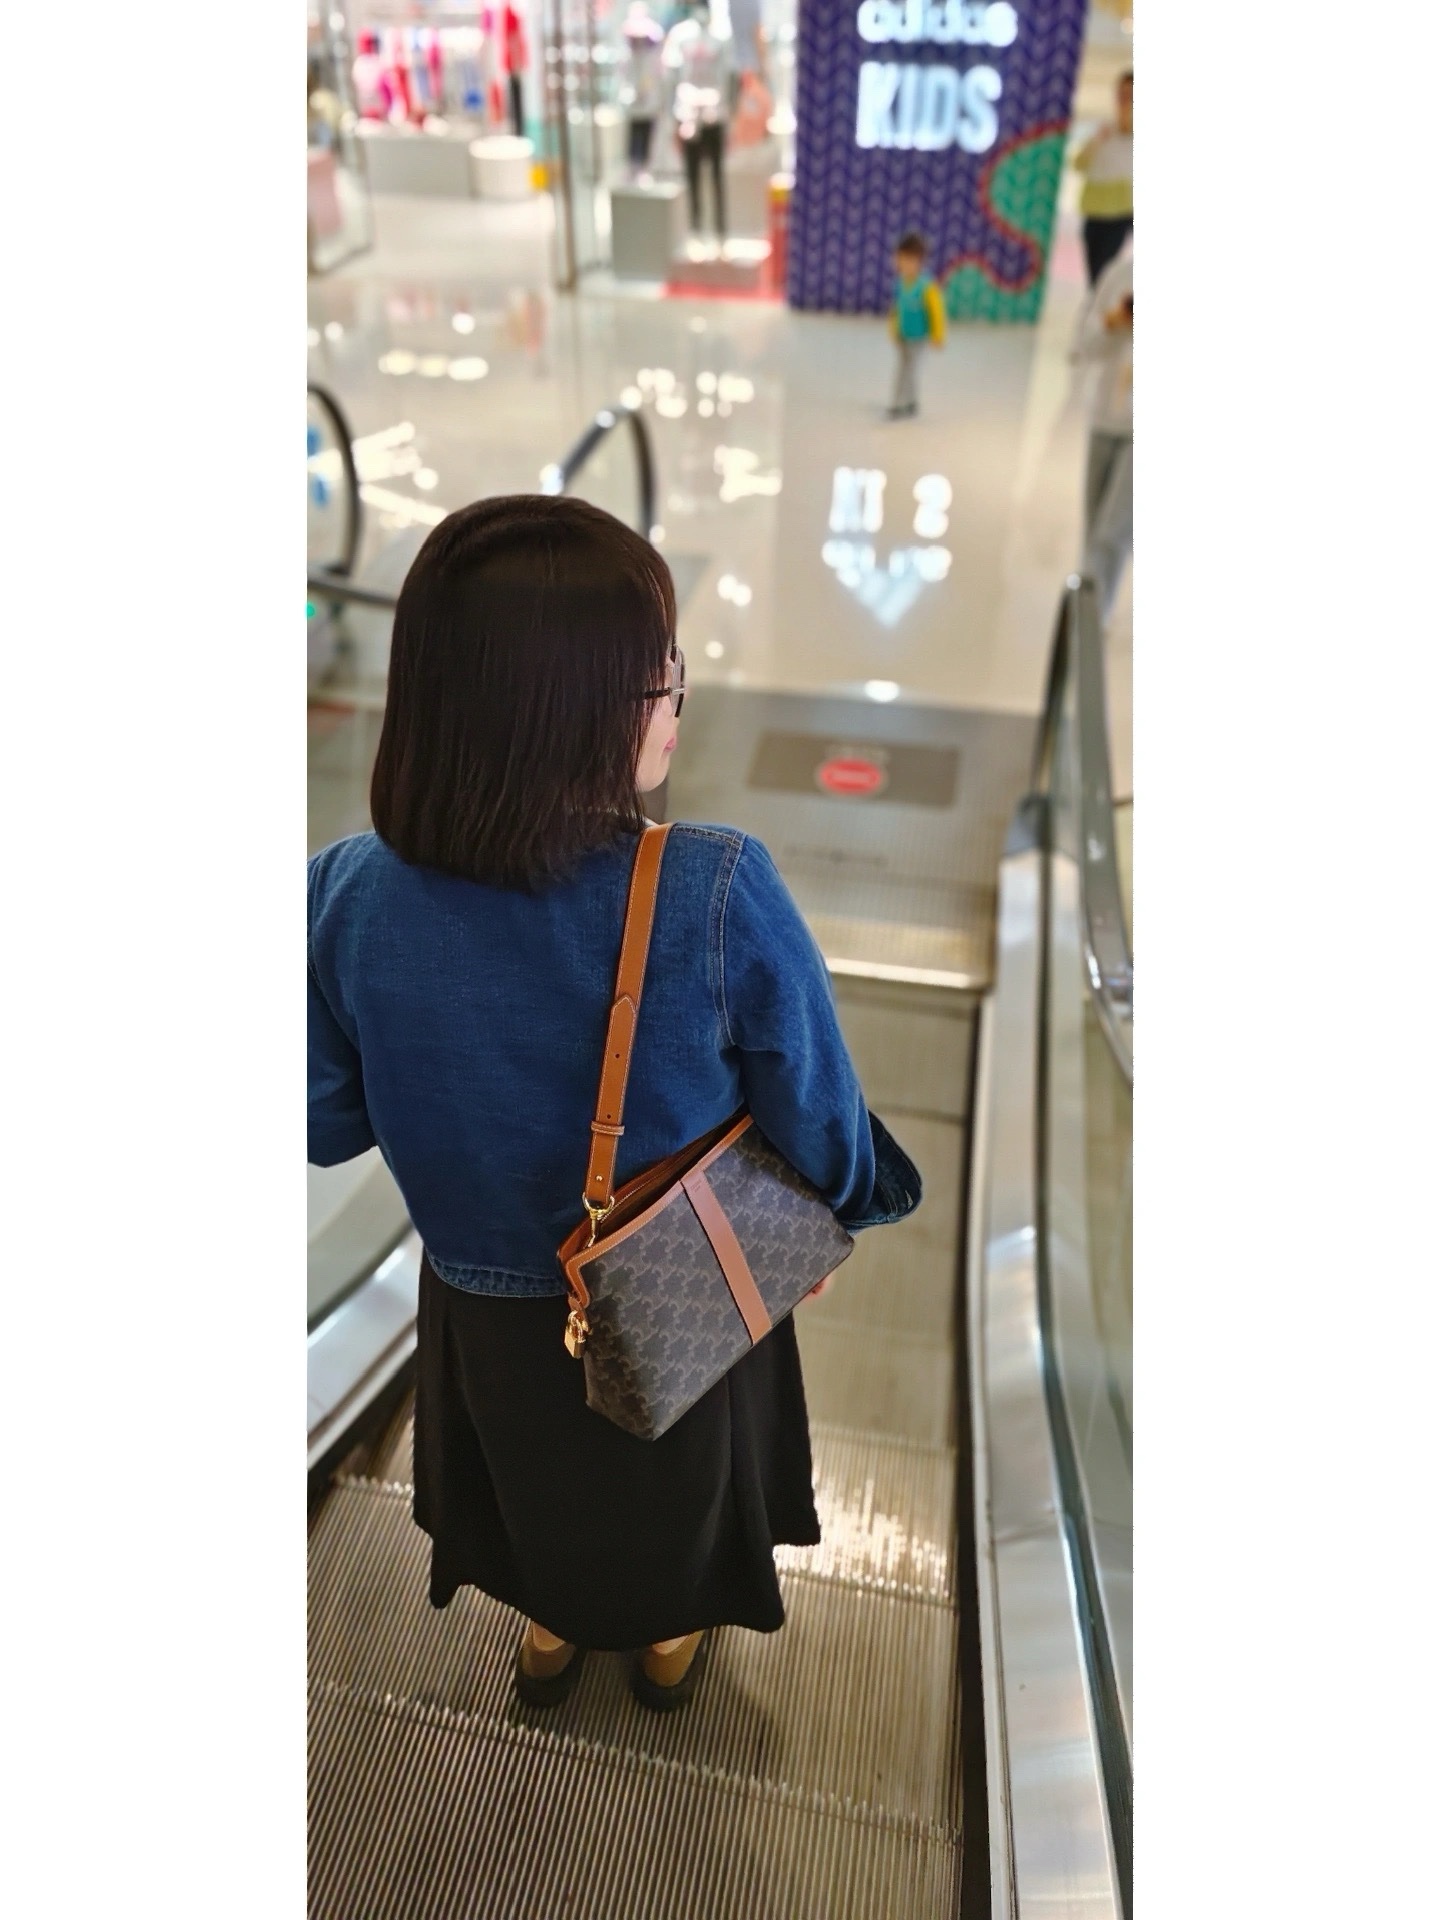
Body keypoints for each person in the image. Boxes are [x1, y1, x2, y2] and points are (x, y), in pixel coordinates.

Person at [308, 495, 922, 1713]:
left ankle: (550, 1629)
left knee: (530, 1486)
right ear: (583, 709)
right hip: (676, 1286)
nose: (675, 703)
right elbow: (816, 1104)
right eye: (661, 678)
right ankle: (667, 1640)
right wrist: (844, 1204)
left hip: (480, 1308)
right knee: (674, 1486)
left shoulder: (346, 892)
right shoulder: (712, 885)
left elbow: (327, 1125)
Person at [1071, 241, 1133, 624]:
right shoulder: (1120, 274)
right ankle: (1087, 612)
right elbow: (1084, 346)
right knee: (1094, 528)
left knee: (1113, 532)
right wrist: (1113, 322)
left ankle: (1092, 619)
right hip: (1105, 419)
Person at [1073, 69, 1133, 287]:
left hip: (1119, 211)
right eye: (1122, 93)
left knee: (1104, 273)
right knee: (1095, 274)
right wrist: (1097, 141)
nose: (1125, 99)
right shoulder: (1104, 129)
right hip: (1094, 209)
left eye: (1130, 94)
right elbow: (1078, 163)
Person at [887, 230, 946, 420]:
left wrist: (937, 335)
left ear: (920, 261)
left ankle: (899, 403)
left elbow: (937, 312)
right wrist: (894, 330)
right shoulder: (900, 284)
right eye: (901, 259)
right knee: (905, 369)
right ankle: (911, 401)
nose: (904, 264)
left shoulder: (927, 287)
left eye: (910, 260)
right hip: (904, 335)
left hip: (919, 337)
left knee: (907, 371)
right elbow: (897, 309)